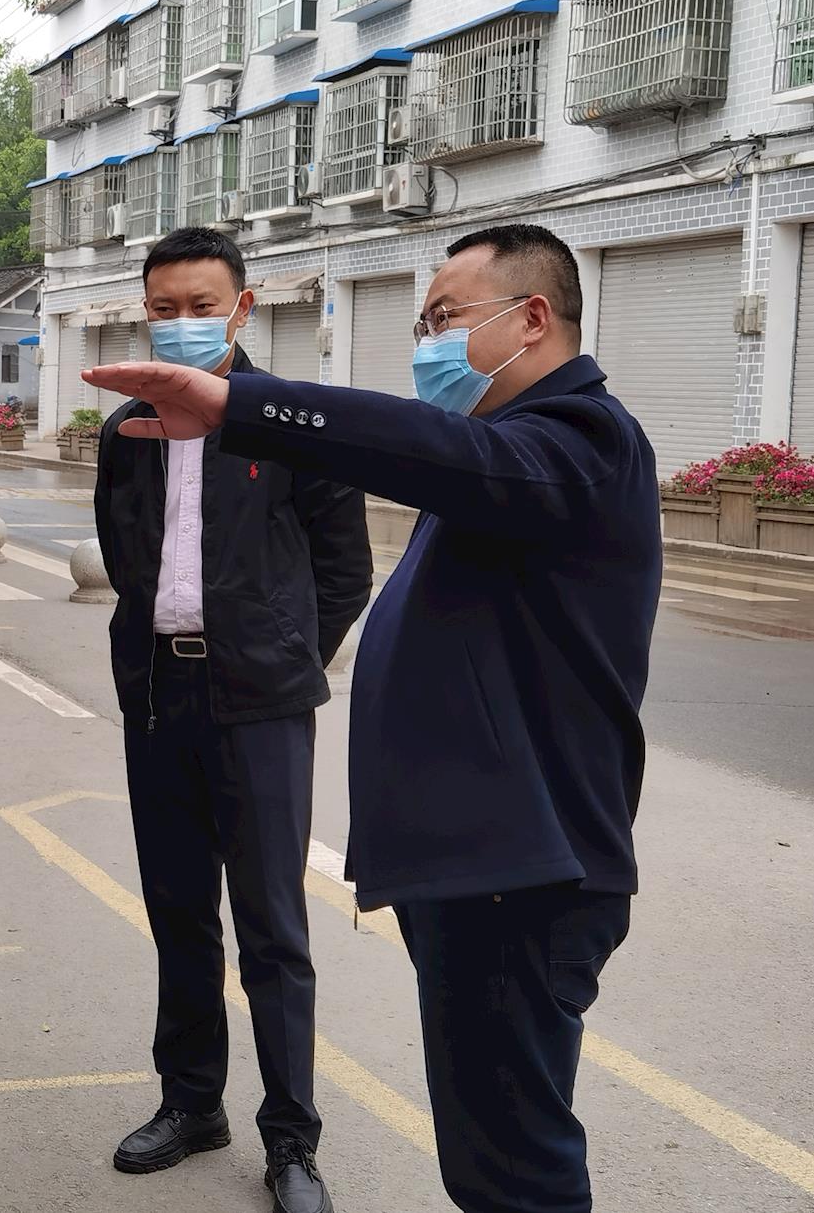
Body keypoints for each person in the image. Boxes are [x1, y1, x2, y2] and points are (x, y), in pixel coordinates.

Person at [83, 224, 660, 1213]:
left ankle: (289, 1136)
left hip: (524, 872)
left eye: (444, 318)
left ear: (532, 318)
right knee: (486, 1155)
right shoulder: (500, 455)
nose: (426, 344)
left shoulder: (579, 441)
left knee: (516, 1167)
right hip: (475, 870)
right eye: (421, 324)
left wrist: (241, 407)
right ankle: (193, 1098)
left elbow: (390, 505)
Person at [93, 229, 372, 1213]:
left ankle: (291, 1139)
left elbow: (343, 570)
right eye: (163, 308)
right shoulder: (126, 430)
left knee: (271, 931)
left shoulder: (290, 422)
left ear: (242, 308)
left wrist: (282, 656)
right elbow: (124, 561)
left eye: (201, 305)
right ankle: (190, 1102)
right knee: (177, 913)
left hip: (261, 708)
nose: (181, 323)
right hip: (159, 701)